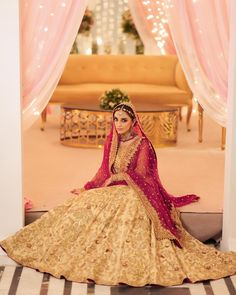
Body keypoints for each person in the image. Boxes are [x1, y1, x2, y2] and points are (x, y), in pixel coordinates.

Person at [1, 102, 236, 287]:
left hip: (135, 195)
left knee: (117, 214)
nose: (119, 124)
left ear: (134, 122)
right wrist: (90, 186)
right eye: (116, 119)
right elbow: (104, 170)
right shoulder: (111, 141)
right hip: (114, 189)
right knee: (81, 204)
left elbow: (145, 176)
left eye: (124, 120)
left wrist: (118, 179)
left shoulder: (143, 144)